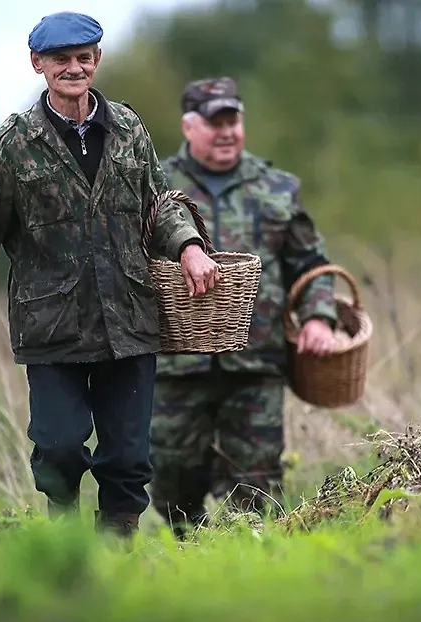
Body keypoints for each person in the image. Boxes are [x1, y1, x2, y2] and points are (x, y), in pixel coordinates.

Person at [0, 12, 221, 539]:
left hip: (129, 318)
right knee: (60, 446)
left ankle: (116, 553)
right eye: (61, 59)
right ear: (37, 64)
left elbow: (158, 203)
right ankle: (65, 541)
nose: (74, 68)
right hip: (52, 326)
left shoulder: (128, 127)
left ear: (97, 60)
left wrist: (189, 246)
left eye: (83, 57)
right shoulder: (13, 143)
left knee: (128, 456)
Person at [149, 76, 338, 539]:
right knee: (170, 475)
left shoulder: (277, 188)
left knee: (258, 487)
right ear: (188, 127)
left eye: (233, 120)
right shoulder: (154, 186)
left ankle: (252, 554)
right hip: (175, 363)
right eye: (216, 123)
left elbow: (312, 265)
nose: (227, 131)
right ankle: (190, 546)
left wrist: (319, 317)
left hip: (257, 360)